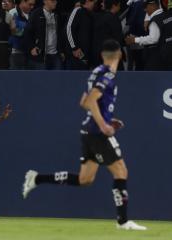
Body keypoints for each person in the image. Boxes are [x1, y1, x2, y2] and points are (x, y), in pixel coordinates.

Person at [22, 40, 147, 231]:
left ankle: (37, 178)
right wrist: (104, 124)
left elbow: (83, 102)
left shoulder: (95, 72)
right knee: (121, 172)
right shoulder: (107, 74)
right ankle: (123, 221)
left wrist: (106, 117)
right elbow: (90, 100)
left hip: (87, 131)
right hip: (97, 132)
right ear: (120, 55)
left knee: (85, 179)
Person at [24, 0, 64, 70]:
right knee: (42, 79)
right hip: (41, 55)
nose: (55, 2)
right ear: (45, 1)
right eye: (52, 1)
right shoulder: (36, 14)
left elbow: (60, 34)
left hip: (56, 54)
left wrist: (61, 51)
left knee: (57, 79)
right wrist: (32, 47)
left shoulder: (57, 14)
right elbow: (27, 32)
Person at [125, 0, 163, 70]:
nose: (145, 10)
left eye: (146, 7)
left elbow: (153, 39)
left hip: (154, 55)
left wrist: (135, 39)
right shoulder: (165, 14)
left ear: (153, 5)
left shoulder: (154, 20)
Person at [91, 0, 124, 68]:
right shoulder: (114, 18)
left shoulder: (99, 17)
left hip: (99, 54)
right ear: (114, 6)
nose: (120, 7)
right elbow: (117, 37)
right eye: (119, 5)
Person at [65, 0, 95, 70]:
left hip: (86, 56)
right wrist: (74, 48)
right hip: (76, 54)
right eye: (93, 2)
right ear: (87, 1)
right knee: (74, 78)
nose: (94, 4)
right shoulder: (77, 10)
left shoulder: (90, 14)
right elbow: (69, 28)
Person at [8, 0, 36, 69]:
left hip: (30, 53)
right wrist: (29, 29)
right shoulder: (13, 13)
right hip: (17, 52)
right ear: (23, 2)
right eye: (30, 4)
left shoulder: (33, 13)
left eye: (33, 5)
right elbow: (15, 31)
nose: (32, 7)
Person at [125, 0, 147, 70]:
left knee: (131, 62)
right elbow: (139, 22)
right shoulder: (139, 4)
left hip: (132, 35)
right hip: (138, 37)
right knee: (139, 63)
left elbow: (129, 20)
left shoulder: (133, 3)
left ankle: (130, 79)